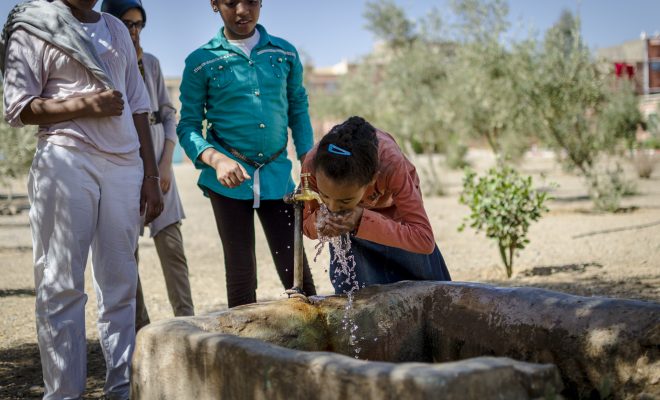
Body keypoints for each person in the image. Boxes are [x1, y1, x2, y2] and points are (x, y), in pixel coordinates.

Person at [1, 0, 163, 398]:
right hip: (66, 159)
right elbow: (18, 107)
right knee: (60, 287)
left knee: (120, 285)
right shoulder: (35, 25)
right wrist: (84, 105)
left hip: (124, 167)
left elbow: (139, 106)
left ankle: (121, 390)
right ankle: (64, 393)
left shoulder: (116, 28)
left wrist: (150, 173)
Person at [177, 0, 316, 308]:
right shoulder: (200, 62)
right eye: (230, 2)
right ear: (214, 5)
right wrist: (215, 159)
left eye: (251, 1)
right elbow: (187, 126)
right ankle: (241, 352)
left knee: (297, 274)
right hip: (226, 184)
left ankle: (317, 351)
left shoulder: (285, 54)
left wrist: (309, 160)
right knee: (240, 275)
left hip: (278, 179)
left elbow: (298, 108)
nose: (242, 11)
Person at [101, 0, 194, 332]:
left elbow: (168, 114)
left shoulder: (151, 63)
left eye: (139, 24)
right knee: (129, 257)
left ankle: (188, 325)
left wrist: (166, 163)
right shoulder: (103, 64)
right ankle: (140, 331)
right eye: (127, 23)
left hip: (159, 161)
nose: (134, 31)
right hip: (125, 163)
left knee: (172, 249)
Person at [301, 116, 452, 294]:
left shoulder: (390, 163)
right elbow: (306, 226)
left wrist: (362, 220)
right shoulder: (313, 166)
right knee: (355, 303)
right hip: (351, 227)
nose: (333, 208)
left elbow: (424, 240)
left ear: (372, 179)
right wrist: (320, 222)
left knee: (426, 295)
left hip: (397, 220)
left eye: (345, 200)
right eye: (325, 196)